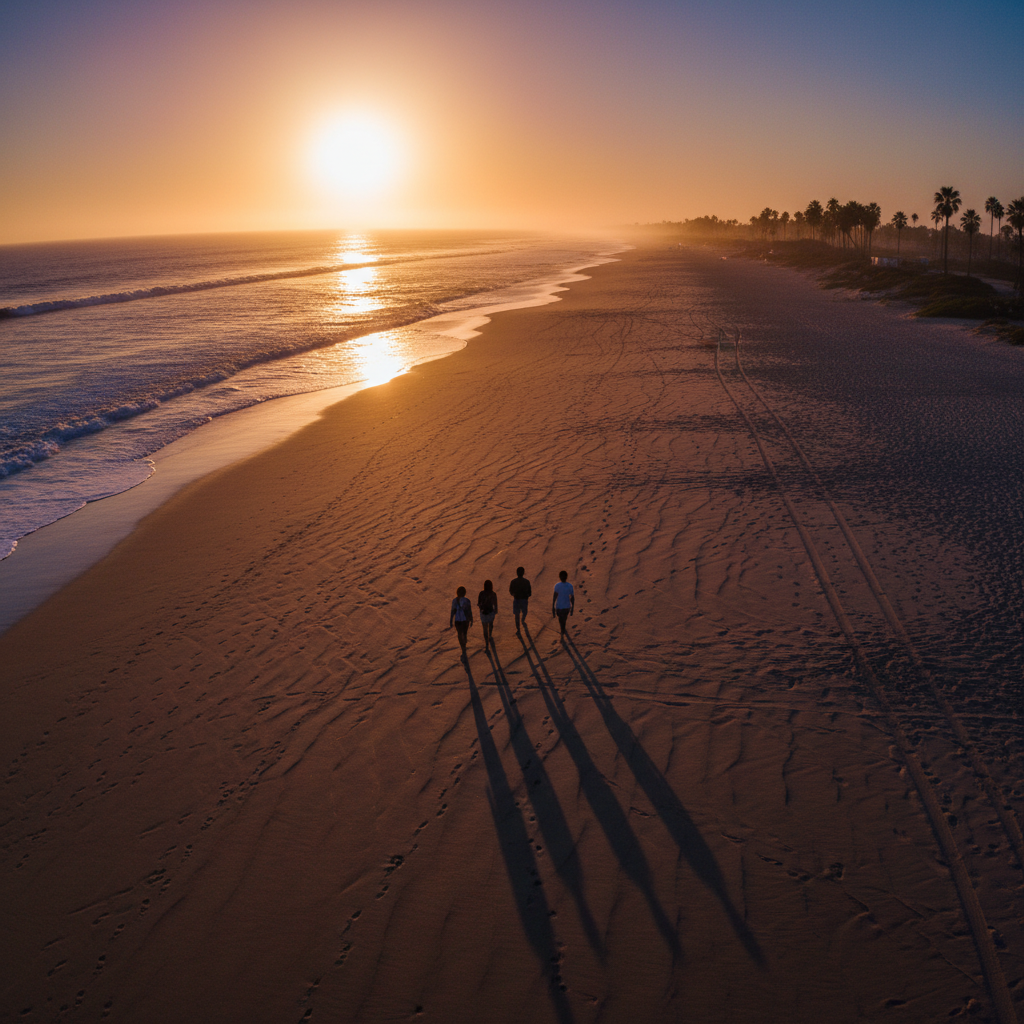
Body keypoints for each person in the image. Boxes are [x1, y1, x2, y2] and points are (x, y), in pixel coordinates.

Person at [449, 586, 473, 660]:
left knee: (459, 634)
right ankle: (464, 643)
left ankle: (463, 648)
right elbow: (469, 611)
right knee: (464, 633)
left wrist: (451, 620)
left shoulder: (454, 601)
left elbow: (453, 611)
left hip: (458, 620)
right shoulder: (467, 601)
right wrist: (471, 619)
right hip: (465, 620)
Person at [508, 566, 532, 633]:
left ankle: (518, 628)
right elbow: (530, 592)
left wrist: (514, 594)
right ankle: (523, 620)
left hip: (517, 599)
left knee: (517, 615)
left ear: (516, 573)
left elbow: (510, 591)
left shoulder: (513, 581)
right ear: (523, 573)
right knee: (524, 612)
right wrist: (527, 596)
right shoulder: (526, 582)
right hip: (524, 600)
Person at [551, 570, 574, 637]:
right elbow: (572, 597)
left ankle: (562, 629)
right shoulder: (570, 586)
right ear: (567, 577)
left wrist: (553, 606)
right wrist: (572, 607)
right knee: (564, 618)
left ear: (559, 577)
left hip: (559, 606)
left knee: (560, 619)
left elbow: (555, 596)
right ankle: (563, 628)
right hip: (567, 606)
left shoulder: (557, 585)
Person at [478, 579, 498, 649]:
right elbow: (495, 604)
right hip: (490, 612)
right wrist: (496, 610)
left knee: (484, 627)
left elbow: (479, 603)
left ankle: (486, 641)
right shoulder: (493, 594)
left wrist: (481, 608)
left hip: (483, 613)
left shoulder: (481, 593)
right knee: (491, 624)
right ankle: (490, 635)